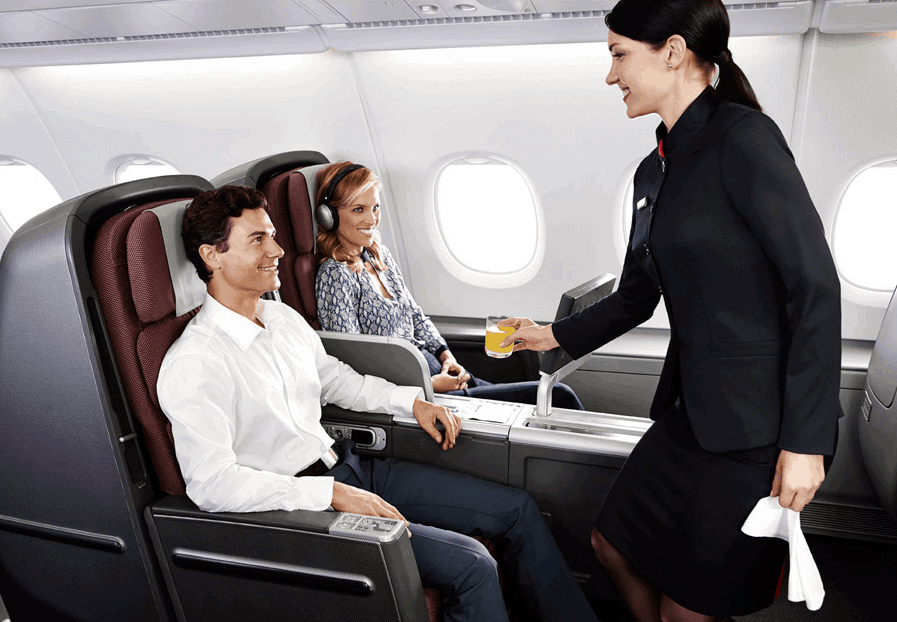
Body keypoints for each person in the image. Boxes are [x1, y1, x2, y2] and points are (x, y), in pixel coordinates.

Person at [500, 1, 843, 621]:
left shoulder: (743, 139)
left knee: (690, 610)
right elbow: (637, 294)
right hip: (691, 417)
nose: (611, 75)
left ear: (675, 52)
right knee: (611, 547)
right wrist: (553, 335)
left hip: (757, 431)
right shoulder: (651, 172)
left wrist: (807, 442)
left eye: (618, 54)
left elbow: (814, 284)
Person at [156, 185, 598, 622]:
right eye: (258, 239)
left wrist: (413, 402)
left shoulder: (280, 318)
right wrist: (329, 493)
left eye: (273, 234)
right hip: (300, 509)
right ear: (212, 256)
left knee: (517, 510)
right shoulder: (196, 362)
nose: (277, 249)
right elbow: (212, 484)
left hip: (350, 469)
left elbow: (336, 381)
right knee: (472, 564)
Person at [313, 161, 584, 410]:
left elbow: (416, 316)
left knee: (548, 403)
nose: (372, 219)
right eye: (358, 209)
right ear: (329, 217)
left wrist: (445, 355)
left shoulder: (377, 255)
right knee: (558, 397)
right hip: (415, 395)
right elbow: (353, 362)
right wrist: (426, 387)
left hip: (436, 374)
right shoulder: (336, 276)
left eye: (375, 207)